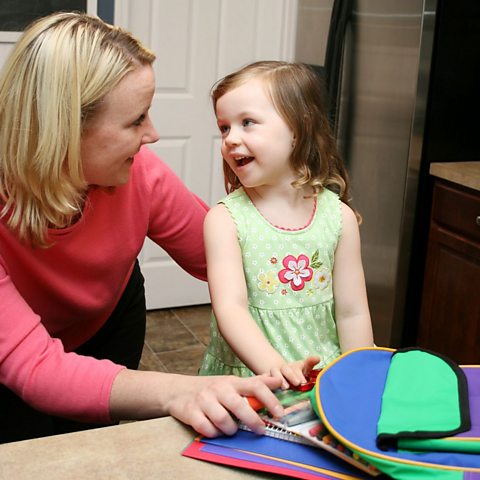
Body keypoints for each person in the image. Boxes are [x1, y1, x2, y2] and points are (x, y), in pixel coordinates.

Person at [0, 13, 284, 444]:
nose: (152, 134)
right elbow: (34, 366)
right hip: (17, 359)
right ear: (64, 130)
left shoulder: (141, 174)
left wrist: (310, 237)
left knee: (88, 445)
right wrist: (183, 390)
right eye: (136, 120)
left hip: (106, 324)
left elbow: (225, 258)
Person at [199, 61, 374, 388]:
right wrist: (277, 369)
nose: (230, 139)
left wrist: (359, 374)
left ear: (297, 129)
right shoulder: (225, 220)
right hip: (253, 379)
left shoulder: (339, 219)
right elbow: (231, 311)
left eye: (247, 122)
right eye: (224, 127)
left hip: (325, 376)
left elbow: (352, 313)